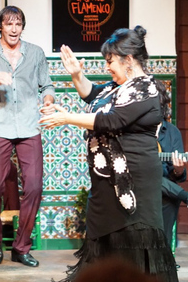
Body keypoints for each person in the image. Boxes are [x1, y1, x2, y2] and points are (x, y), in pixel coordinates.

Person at [40, 26, 178, 281]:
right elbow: (92, 94)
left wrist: (66, 117)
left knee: (133, 247)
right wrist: (76, 74)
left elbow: (112, 120)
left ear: (128, 60)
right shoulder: (118, 87)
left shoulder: (146, 88)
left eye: (110, 61)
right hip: (106, 186)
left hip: (135, 184)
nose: (107, 67)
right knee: (104, 247)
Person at [0, 5, 55, 267]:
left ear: (22, 27)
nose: (14, 29)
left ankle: (21, 246)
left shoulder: (36, 53)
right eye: (9, 24)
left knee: (34, 187)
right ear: (0, 28)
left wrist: (48, 100)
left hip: (29, 128)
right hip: (0, 128)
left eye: (18, 24)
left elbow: (47, 85)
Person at [156, 80, 188, 249]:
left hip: (166, 195)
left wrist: (179, 169)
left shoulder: (172, 132)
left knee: (162, 244)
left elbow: (178, 175)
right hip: (140, 193)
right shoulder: (136, 131)